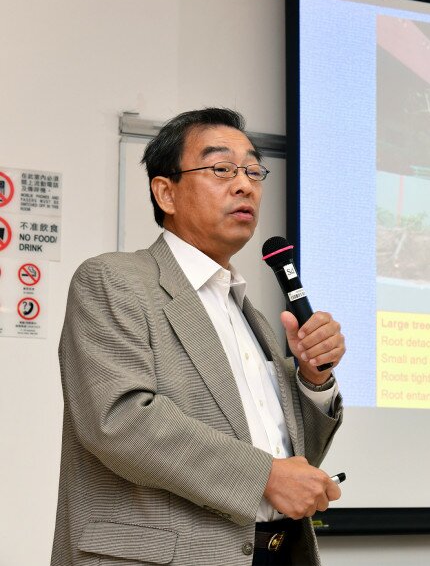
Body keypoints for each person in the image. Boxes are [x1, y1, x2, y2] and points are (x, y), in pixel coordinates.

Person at [51, 108, 344, 566]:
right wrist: (264, 476)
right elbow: (119, 419)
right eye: (222, 169)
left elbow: (292, 454)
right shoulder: (112, 280)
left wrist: (312, 379)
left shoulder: (251, 316)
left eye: (252, 170)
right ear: (165, 192)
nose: (245, 184)